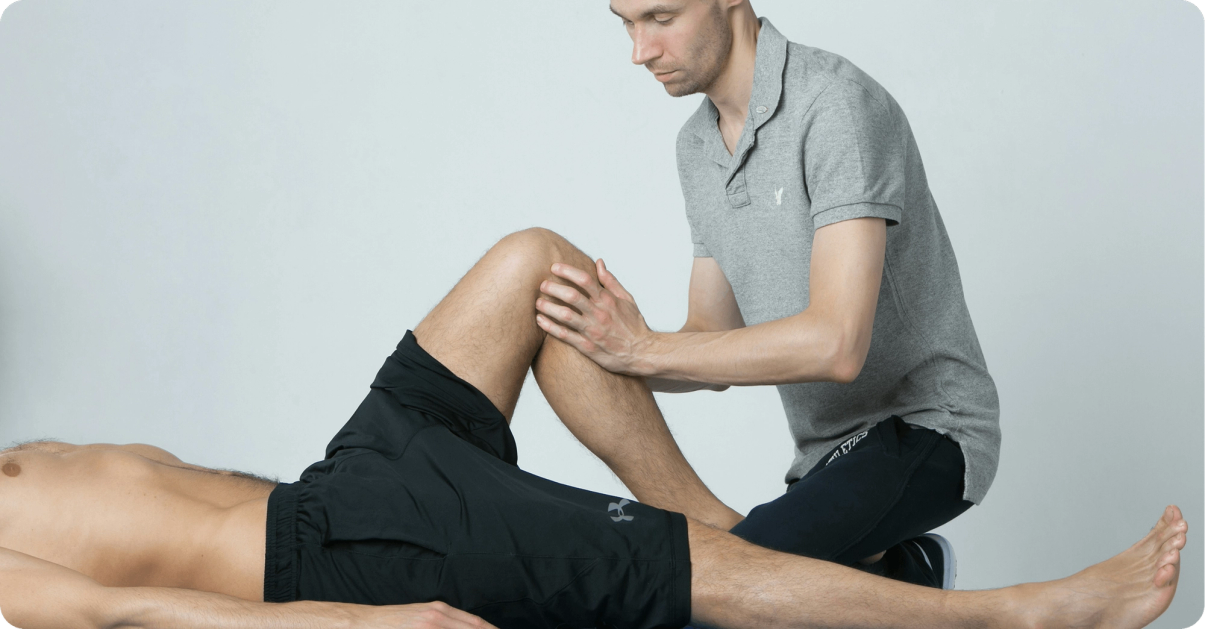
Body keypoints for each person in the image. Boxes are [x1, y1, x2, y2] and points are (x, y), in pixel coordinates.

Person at [0, 229, 1188, 629]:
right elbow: (123, 613)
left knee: (536, 270)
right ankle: (1026, 614)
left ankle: (734, 531)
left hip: (343, 483)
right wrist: (354, 620)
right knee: (678, 576)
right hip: (347, 560)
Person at [535, 0, 1000, 588]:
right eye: (627, 23)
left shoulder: (835, 103)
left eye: (662, 18)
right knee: (739, 587)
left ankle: (911, 576)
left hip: (930, 427)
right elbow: (708, 336)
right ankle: (903, 574)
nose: (640, 51)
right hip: (823, 457)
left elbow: (837, 345)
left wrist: (642, 349)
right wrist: (602, 343)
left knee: (717, 587)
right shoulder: (696, 146)